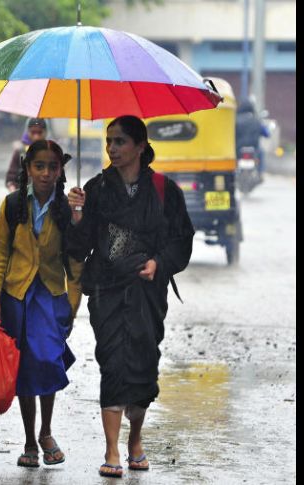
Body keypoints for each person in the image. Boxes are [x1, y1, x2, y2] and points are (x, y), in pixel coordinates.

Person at [65, 115, 194, 478]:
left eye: (120, 141)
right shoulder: (96, 189)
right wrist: (75, 216)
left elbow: (181, 240)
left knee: (142, 366)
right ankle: (111, 449)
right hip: (106, 291)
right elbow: (78, 247)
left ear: (140, 146)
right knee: (112, 364)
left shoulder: (165, 191)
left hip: (146, 294)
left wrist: (158, 263)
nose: (112, 148)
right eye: (109, 142)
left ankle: (135, 438)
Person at [0, 139, 84, 468]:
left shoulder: (66, 208)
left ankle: (46, 430)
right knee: (24, 368)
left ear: (60, 172)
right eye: (39, 166)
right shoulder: (13, 205)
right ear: (28, 169)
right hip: (15, 297)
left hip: (52, 297)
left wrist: (73, 305)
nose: (45, 173)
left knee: (47, 361)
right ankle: (30, 438)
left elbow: (75, 261)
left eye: (52, 167)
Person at [5, 118, 48, 192]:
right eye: (33, 132)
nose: (36, 136)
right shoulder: (20, 151)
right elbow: (10, 177)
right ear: (27, 131)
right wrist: (13, 190)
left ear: (45, 132)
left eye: (39, 132)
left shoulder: (51, 152)